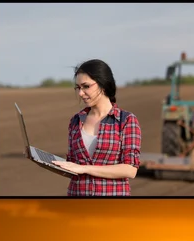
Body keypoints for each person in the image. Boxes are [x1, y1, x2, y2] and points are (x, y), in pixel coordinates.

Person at [52, 59, 141, 196]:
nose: (80, 93)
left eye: (86, 86)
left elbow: (130, 170)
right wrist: (47, 162)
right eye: (78, 88)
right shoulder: (76, 121)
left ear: (103, 84)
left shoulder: (126, 120)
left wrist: (85, 168)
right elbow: (74, 167)